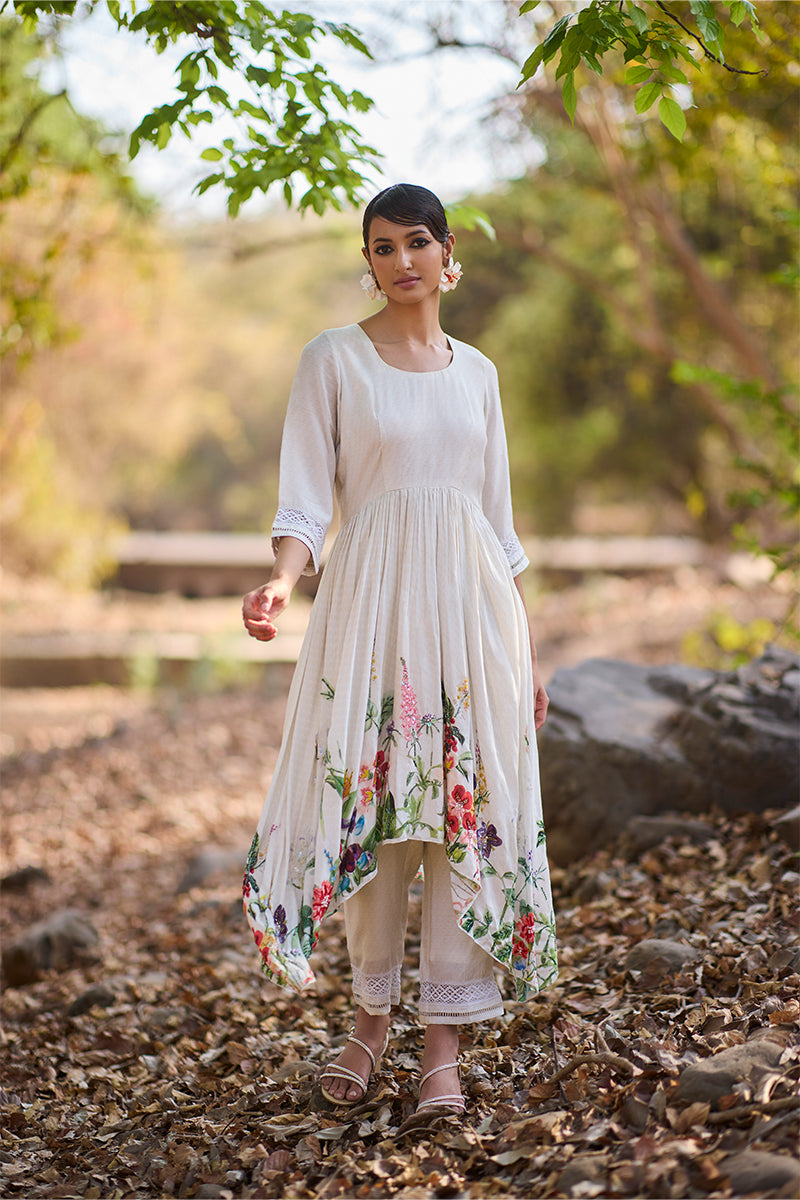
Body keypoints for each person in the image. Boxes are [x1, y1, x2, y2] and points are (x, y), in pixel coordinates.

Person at [242, 183, 557, 1115]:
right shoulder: (333, 359)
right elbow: (305, 500)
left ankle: (443, 1047)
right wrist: (281, 580)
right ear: (369, 263)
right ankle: (369, 1021)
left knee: (462, 812)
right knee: (378, 812)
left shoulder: (479, 373)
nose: (402, 260)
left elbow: (497, 524)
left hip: (470, 615)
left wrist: (525, 651)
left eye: (417, 242)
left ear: (448, 254)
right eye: (382, 247)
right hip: (372, 612)